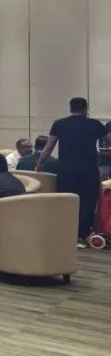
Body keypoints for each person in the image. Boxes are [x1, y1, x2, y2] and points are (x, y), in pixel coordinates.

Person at [37, 97, 109, 246]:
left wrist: (39, 163)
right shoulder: (95, 124)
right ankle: (84, 233)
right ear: (86, 109)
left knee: (67, 201)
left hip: (66, 170)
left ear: (70, 109)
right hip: (89, 170)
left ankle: (66, 232)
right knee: (88, 201)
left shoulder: (59, 124)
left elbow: (49, 147)